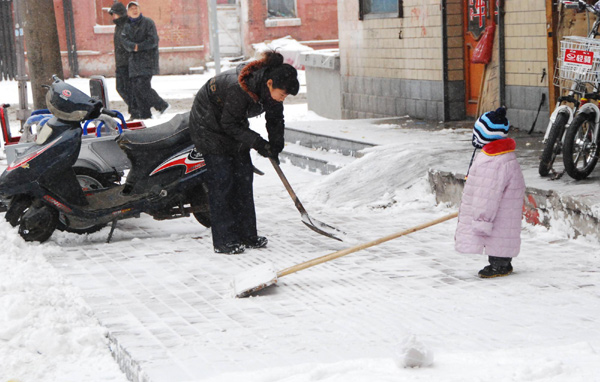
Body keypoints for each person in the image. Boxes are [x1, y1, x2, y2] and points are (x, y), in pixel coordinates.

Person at [189, 51, 299, 254]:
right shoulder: (238, 88)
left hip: (233, 125)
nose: (283, 99)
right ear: (270, 83)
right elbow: (229, 124)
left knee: (243, 179)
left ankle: (247, 234)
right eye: (282, 94)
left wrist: (275, 146)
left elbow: (275, 119)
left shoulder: (271, 91)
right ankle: (224, 240)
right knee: (223, 183)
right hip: (208, 128)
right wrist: (258, 143)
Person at [454, 107, 526, 278]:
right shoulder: (501, 155)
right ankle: (502, 262)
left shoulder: (493, 162)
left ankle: (499, 264)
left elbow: (486, 196)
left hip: (494, 210)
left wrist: (482, 220)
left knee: (499, 231)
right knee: (504, 230)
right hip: (502, 208)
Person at [120, 1, 169, 120]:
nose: (134, 10)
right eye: (131, 9)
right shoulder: (126, 26)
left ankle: (161, 105)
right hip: (134, 62)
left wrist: (138, 47)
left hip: (148, 61)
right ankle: (145, 115)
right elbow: (124, 41)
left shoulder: (148, 22)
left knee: (143, 86)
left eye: (136, 8)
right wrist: (133, 47)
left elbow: (153, 40)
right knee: (136, 89)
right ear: (128, 12)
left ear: (139, 9)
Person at [108, 2, 137, 120]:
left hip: (127, 63)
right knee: (120, 88)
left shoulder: (127, 25)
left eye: (114, 14)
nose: (113, 17)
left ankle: (136, 112)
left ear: (120, 14)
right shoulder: (118, 26)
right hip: (120, 63)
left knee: (129, 89)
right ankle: (136, 110)